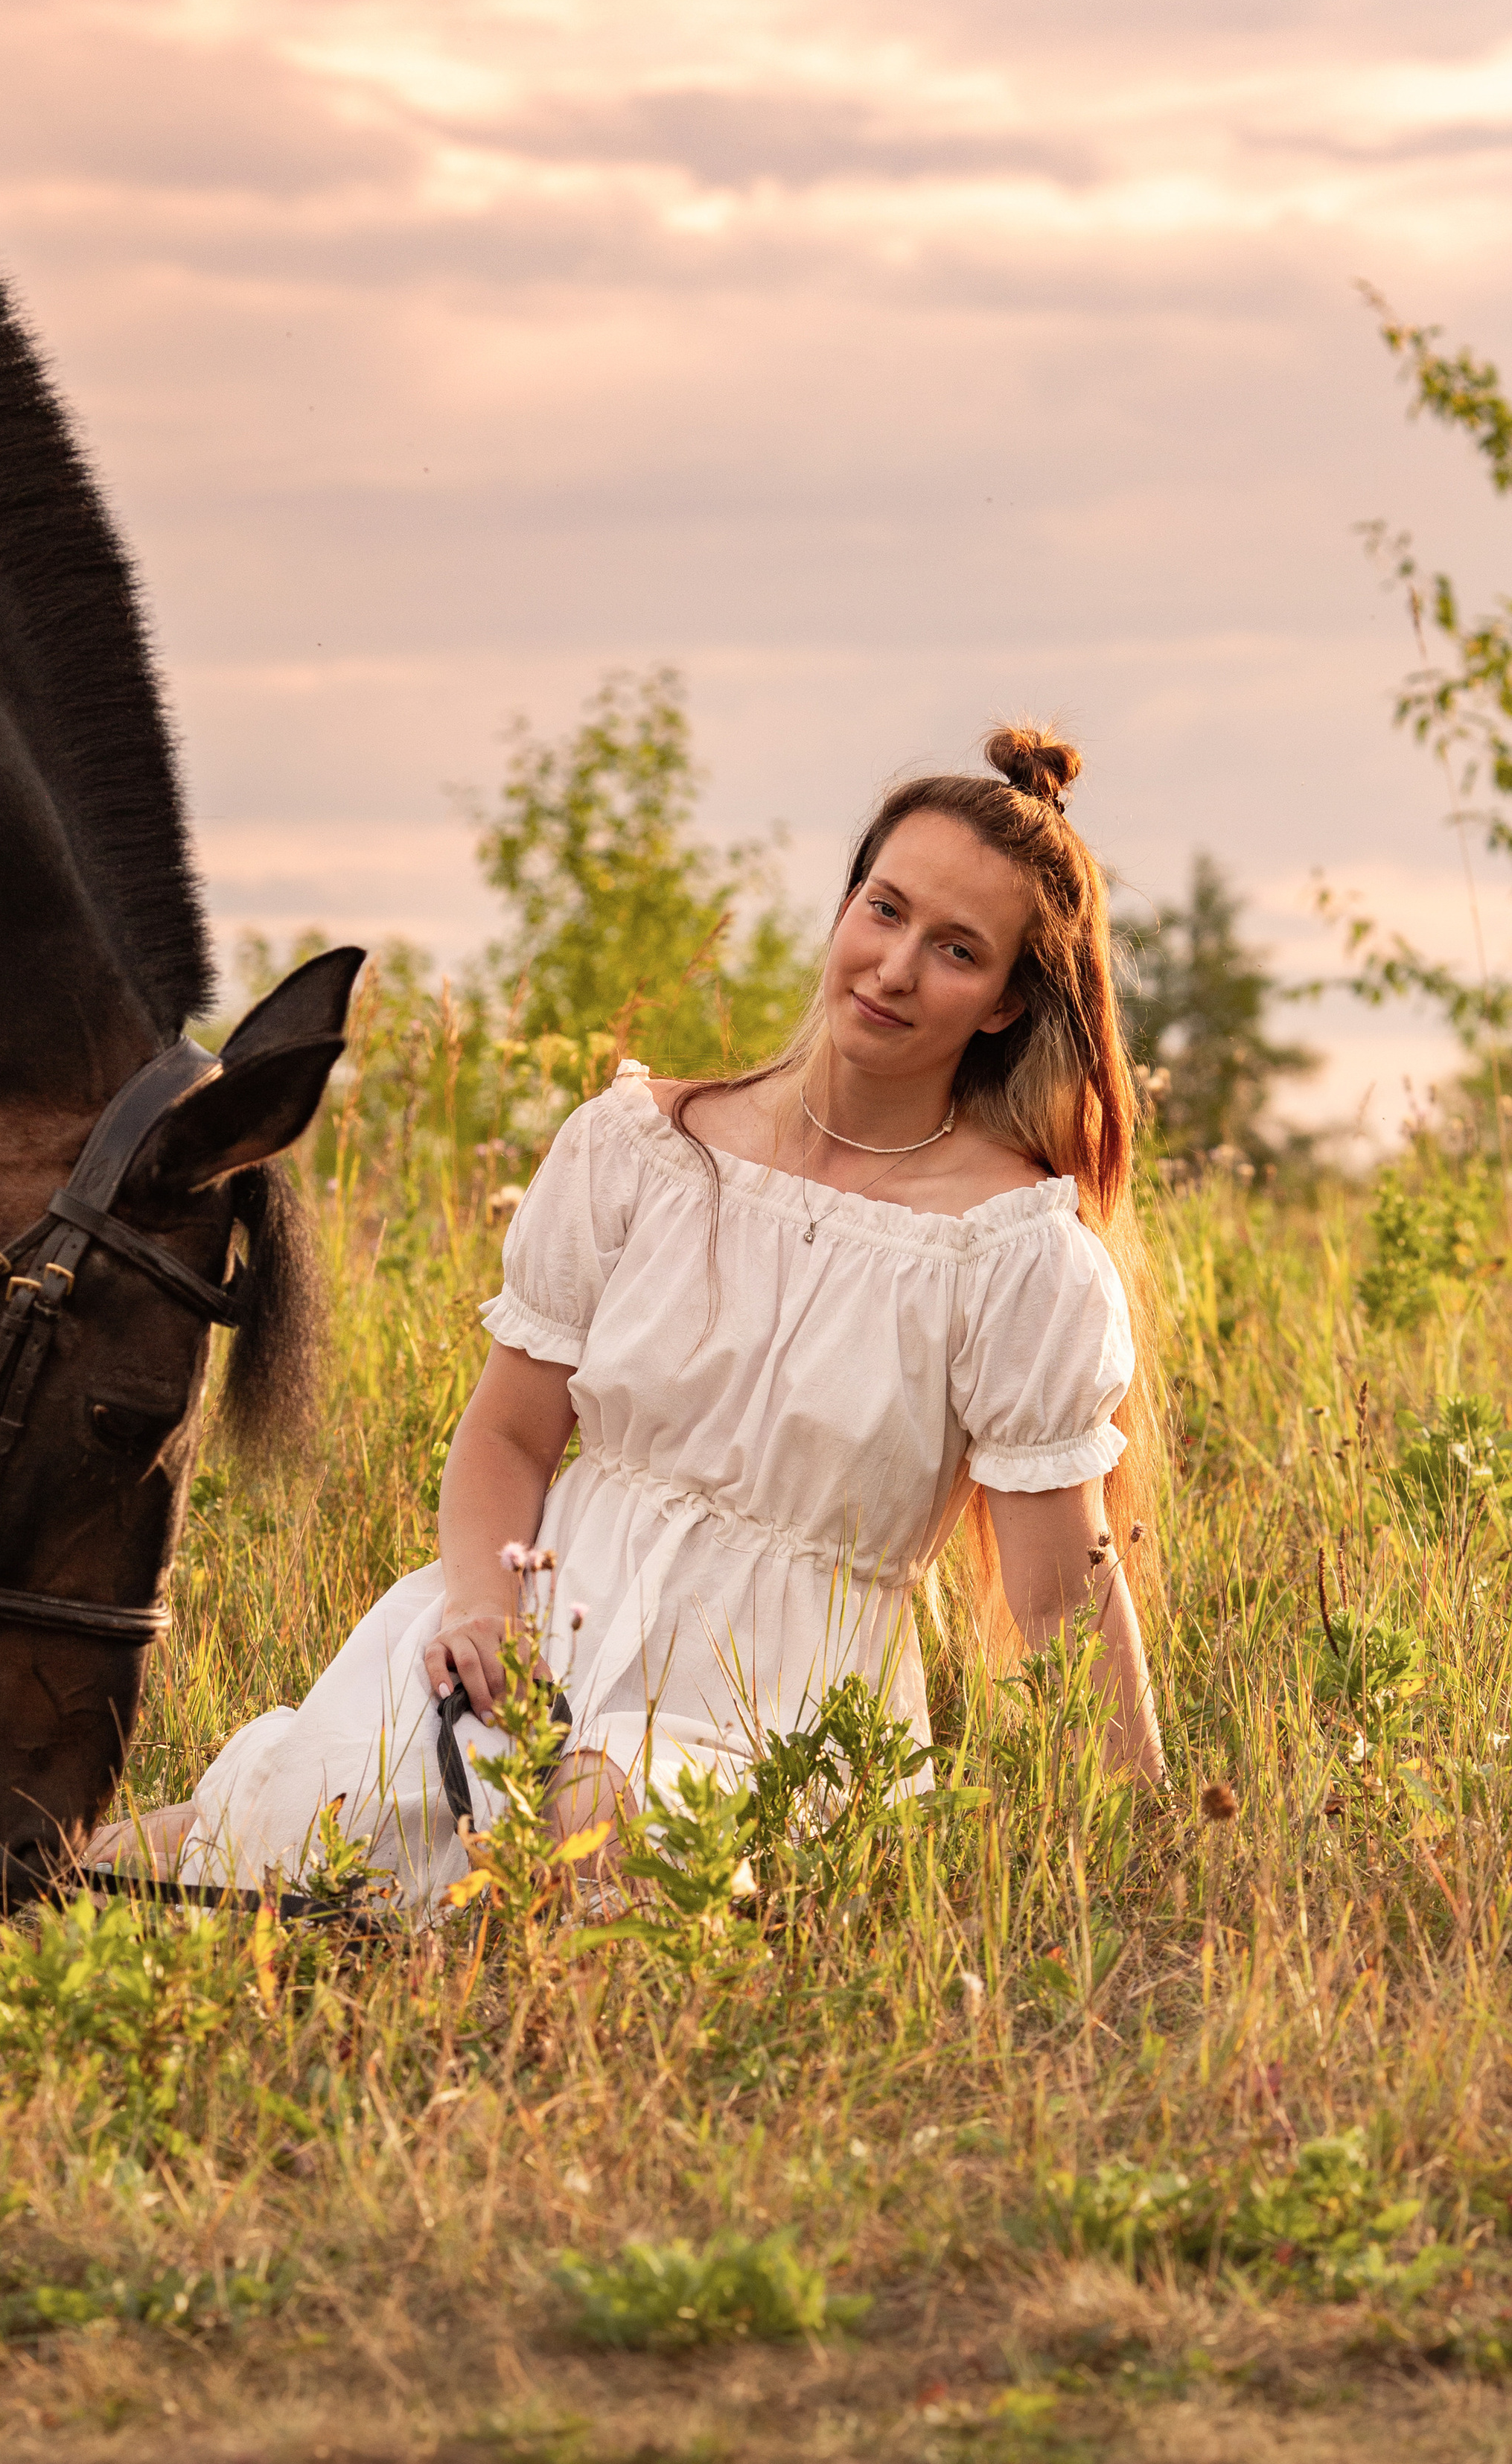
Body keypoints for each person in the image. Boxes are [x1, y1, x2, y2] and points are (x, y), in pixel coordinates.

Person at [87, 725, 1164, 1906]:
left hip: (782, 1695)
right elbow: (507, 1436)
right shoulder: (640, 1148)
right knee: (191, 1860)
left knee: (596, 1817)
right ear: (845, 904)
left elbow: (1060, 1596)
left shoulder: (1012, 1253)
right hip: (533, 1627)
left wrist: (1146, 1849)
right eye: (885, 909)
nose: (896, 967)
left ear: (1008, 1005)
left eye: (957, 950)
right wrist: (482, 1610)